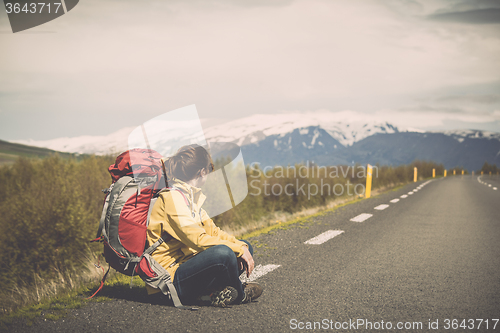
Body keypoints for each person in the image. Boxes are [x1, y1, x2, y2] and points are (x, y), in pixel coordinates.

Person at [146, 144, 263, 307]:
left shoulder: (189, 197)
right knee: (225, 253)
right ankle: (240, 294)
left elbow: (213, 231)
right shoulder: (172, 199)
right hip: (168, 283)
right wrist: (235, 249)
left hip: (186, 267)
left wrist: (240, 246)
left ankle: (213, 292)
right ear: (203, 172)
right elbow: (198, 240)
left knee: (245, 246)